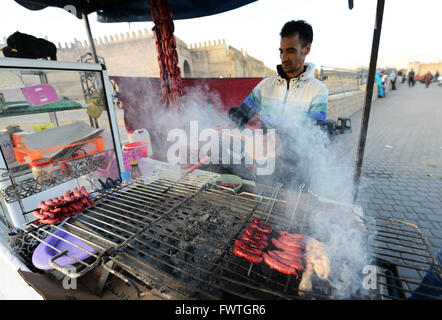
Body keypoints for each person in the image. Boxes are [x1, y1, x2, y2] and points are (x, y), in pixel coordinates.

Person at [228, 20, 329, 189]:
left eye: (290, 51)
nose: (283, 57)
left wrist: (282, 141)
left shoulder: (318, 90)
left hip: (298, 168)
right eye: (281, 51)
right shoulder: (265, 86)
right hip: (265, 165)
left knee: (292, 211)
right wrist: (232, 122)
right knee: (262, 206)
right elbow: (243, 113)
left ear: (307, 49)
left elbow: (313, 134)